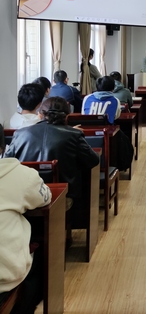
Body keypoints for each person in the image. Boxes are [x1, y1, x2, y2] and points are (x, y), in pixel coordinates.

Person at [5, 97, 100, 210]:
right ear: (67, 116)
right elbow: (93, 160)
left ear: (40, 114)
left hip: (24, 196)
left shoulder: (20, 134)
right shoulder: (74, 135)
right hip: (61, 197)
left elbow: (6, 162)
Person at [0, 125, 52, 314]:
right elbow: (45, 197)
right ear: (3, 148)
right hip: (3, 281)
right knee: (41, 253)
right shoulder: (19, 174)